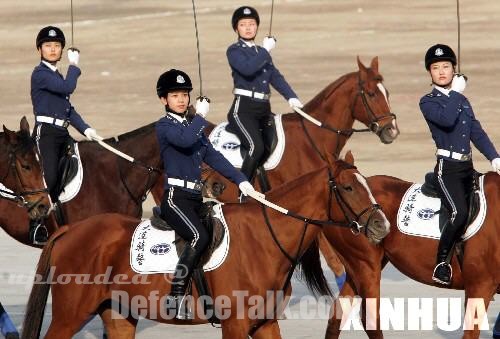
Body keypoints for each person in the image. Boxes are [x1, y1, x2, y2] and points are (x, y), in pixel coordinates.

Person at [155, 69, 262, 317]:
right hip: (175, 200)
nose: (181, 100)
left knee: (223, 230)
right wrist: (201, 117)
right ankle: (175, 296)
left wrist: (242, 181)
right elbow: (183, 140)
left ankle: (207, 294)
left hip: (195, 199)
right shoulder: (165, 126)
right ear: (164, 100)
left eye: (184, 95)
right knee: (198, 237)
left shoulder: (193, 129)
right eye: (175, 95)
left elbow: (215, 158)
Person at [420, 44, 500, 285]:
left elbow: (475, 130)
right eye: (436, 68)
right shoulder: (428, 102)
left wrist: (494, 157)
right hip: (448, 170)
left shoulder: (461, 99)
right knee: (460, 212)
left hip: (468, 168)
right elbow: (446, 120)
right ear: (430, 73)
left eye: (446, 66)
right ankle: (442, 263)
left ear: (454, 69)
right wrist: (455, 92)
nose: (442, 72)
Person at [30, 26, 103, 244]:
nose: (52, 50)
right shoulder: (41, 74)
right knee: (50, 177)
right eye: (48, 46)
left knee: (84, 165)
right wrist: (74, 66)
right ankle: (36, 224)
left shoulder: (56, 74)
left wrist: (87, 129)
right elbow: (67, 88)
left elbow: (68, 110)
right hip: (47, 135)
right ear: (39, 50)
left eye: (56, 46)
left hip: (63, 132)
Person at [226, 6, 303, 192]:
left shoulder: (261, 52)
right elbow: (247, 69)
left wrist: (292, 98)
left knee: (274, 146)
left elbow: (275, 77)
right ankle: (241, 193)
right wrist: (266, 51)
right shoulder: (234, 51)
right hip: (243, 109)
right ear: (236, 29)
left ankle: (261, 186)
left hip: (263, 109)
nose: (248, 28)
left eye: (252, 24)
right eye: (243, 24)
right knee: (256, 147)